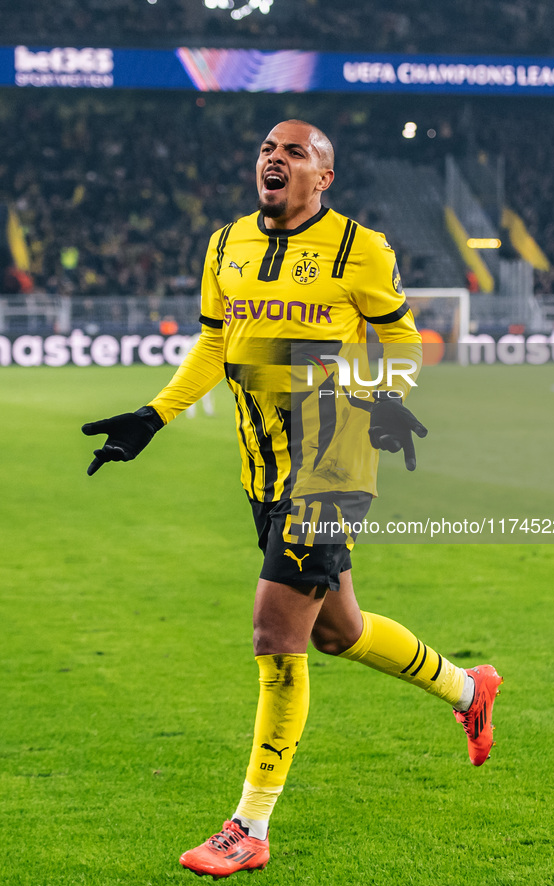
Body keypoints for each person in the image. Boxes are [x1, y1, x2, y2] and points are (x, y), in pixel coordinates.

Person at [82, 120, 502, 880]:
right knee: (338, 630)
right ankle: (468, 689)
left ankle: (249, 825)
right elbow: (216, 342)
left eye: (294, 152)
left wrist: (390, 396)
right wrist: (154, 416)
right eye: (266, 150)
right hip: (262, 468)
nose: (274, 159)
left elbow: (401, 338)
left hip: (331, 464)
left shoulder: (358, 248)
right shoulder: (224, 246)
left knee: (276, 635)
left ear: (324, 176)